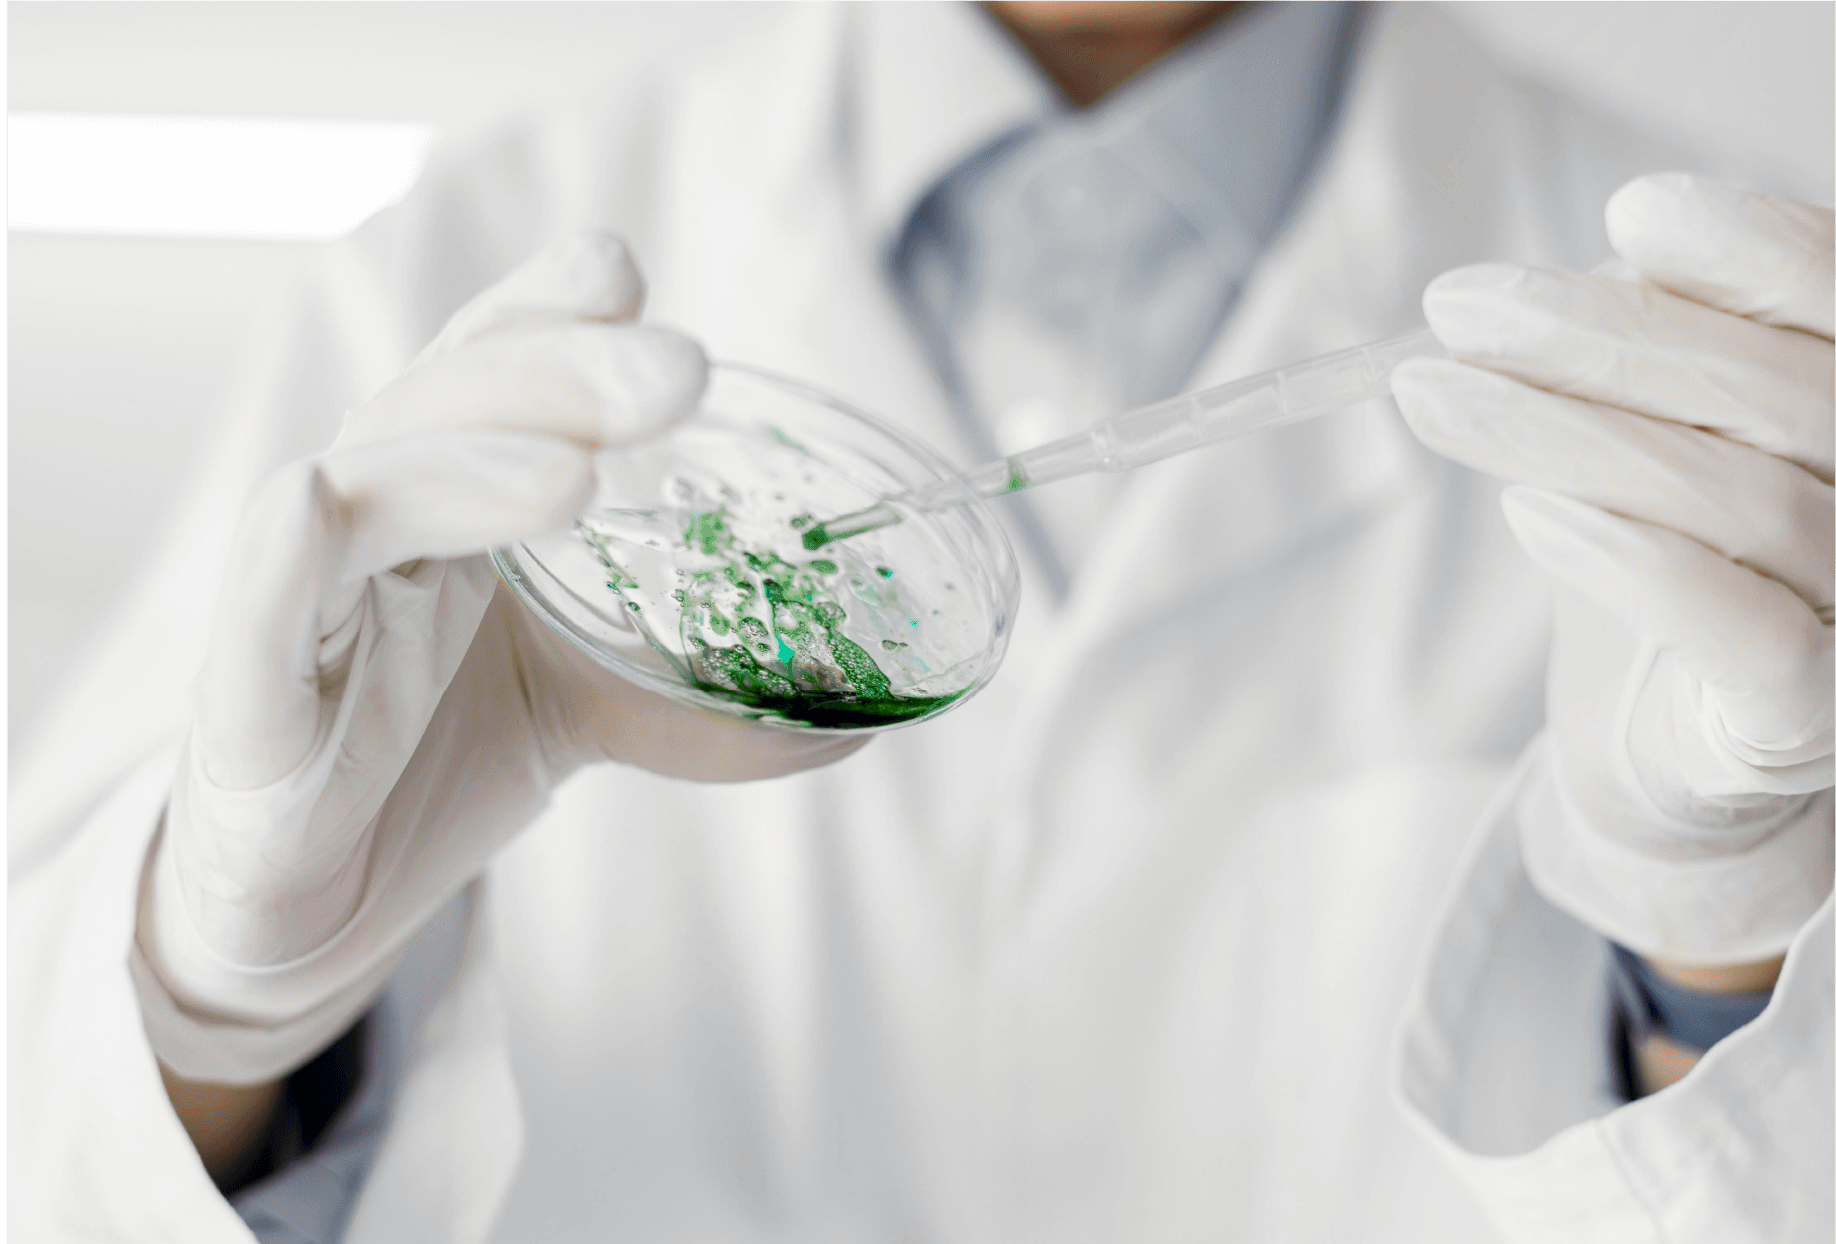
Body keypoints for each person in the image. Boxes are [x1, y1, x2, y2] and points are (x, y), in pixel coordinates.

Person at [10, 3, 1830, 1241]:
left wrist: (1719, 951)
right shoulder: (451, 259)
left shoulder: (1745, 352)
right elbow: (46, 1162)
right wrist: (226, 997)